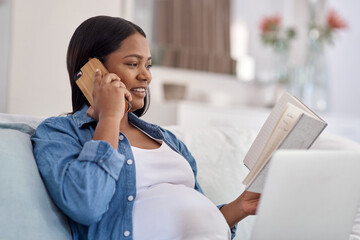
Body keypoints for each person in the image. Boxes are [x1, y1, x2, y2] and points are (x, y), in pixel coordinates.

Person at [31, 16, 260, 240]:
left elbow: (199, 219)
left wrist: (241, 207)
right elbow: (87, 204)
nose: (146, 76)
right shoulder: (59, 133)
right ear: (94, 70)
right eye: (133, 64)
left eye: (148, 65)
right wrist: (110, 116)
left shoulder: (168, 140)